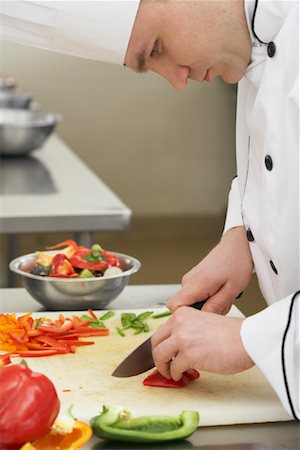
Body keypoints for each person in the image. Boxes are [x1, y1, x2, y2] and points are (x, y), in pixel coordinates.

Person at [2, 0, 299, 420]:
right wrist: (244, 233)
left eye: (156, 47)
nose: (177, 80)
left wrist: (257, 340)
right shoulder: (251, 38)